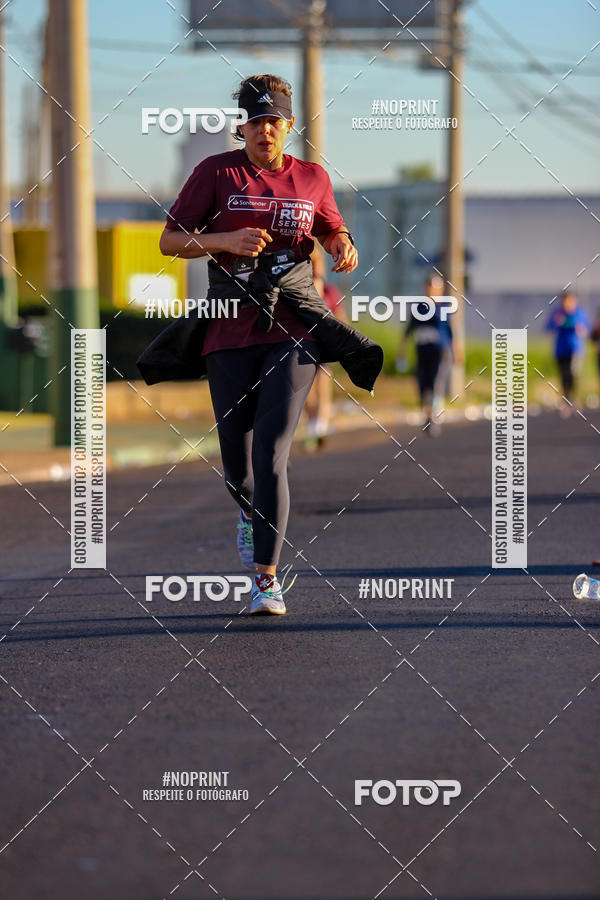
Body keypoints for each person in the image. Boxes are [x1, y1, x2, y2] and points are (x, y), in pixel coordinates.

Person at [142, 73, 382, 616]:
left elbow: (331, 228)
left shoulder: (314, 178)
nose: (265, 131)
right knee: (238, 467)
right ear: (242, 127)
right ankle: (250, 515)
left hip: (293, 326)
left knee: (271, 452)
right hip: (229, 324)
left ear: (289, 126)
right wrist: (224, 239)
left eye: (274, 121)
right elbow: (169, 240)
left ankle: (266, 579)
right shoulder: (217, 173)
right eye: (255, 121)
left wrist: (342, 242)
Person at [397, 273, 458, 437]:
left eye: (434, 286)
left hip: (440, 352)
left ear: (440, 288)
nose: (431, 289)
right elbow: (409, 330)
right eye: (429, 286)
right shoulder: (419, 307)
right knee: (423, 385)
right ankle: (427, 415)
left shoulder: (444, 308)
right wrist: (401, 352)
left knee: (436, 383)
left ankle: (434, 418)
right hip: (423, 350)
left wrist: (456, 352)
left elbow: (451, 332)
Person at [304, 247, 347, 450]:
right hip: (304, 345)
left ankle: (319, 428)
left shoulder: (331, 291)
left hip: (325, 346)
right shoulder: (299, 288)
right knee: (306, 392)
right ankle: (313, 426)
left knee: (323, 386)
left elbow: (340, 318)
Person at [546, 291, 590, 417]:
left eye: (570, 301)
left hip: (575, 350)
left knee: (572, 374)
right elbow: (549, 326)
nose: (568, 304)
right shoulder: (558, 314)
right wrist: (557, 323)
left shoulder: (579, 314)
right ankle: (566, 401)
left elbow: (586, 329)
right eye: (565, 301)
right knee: (563, 375)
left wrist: (580, 329)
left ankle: (573, 400)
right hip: (561, 350)